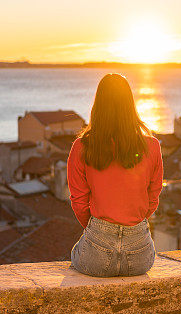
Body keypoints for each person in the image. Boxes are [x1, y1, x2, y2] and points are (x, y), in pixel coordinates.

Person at [67, 73, 163, 277]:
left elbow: (79, 202)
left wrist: (99, 230)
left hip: (97, 251)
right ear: (130, 105)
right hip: (140, 256)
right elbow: (153, 199)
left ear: (98, 106)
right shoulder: (152, 146)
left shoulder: (81, 147)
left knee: (74, 255)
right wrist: (131, 221)